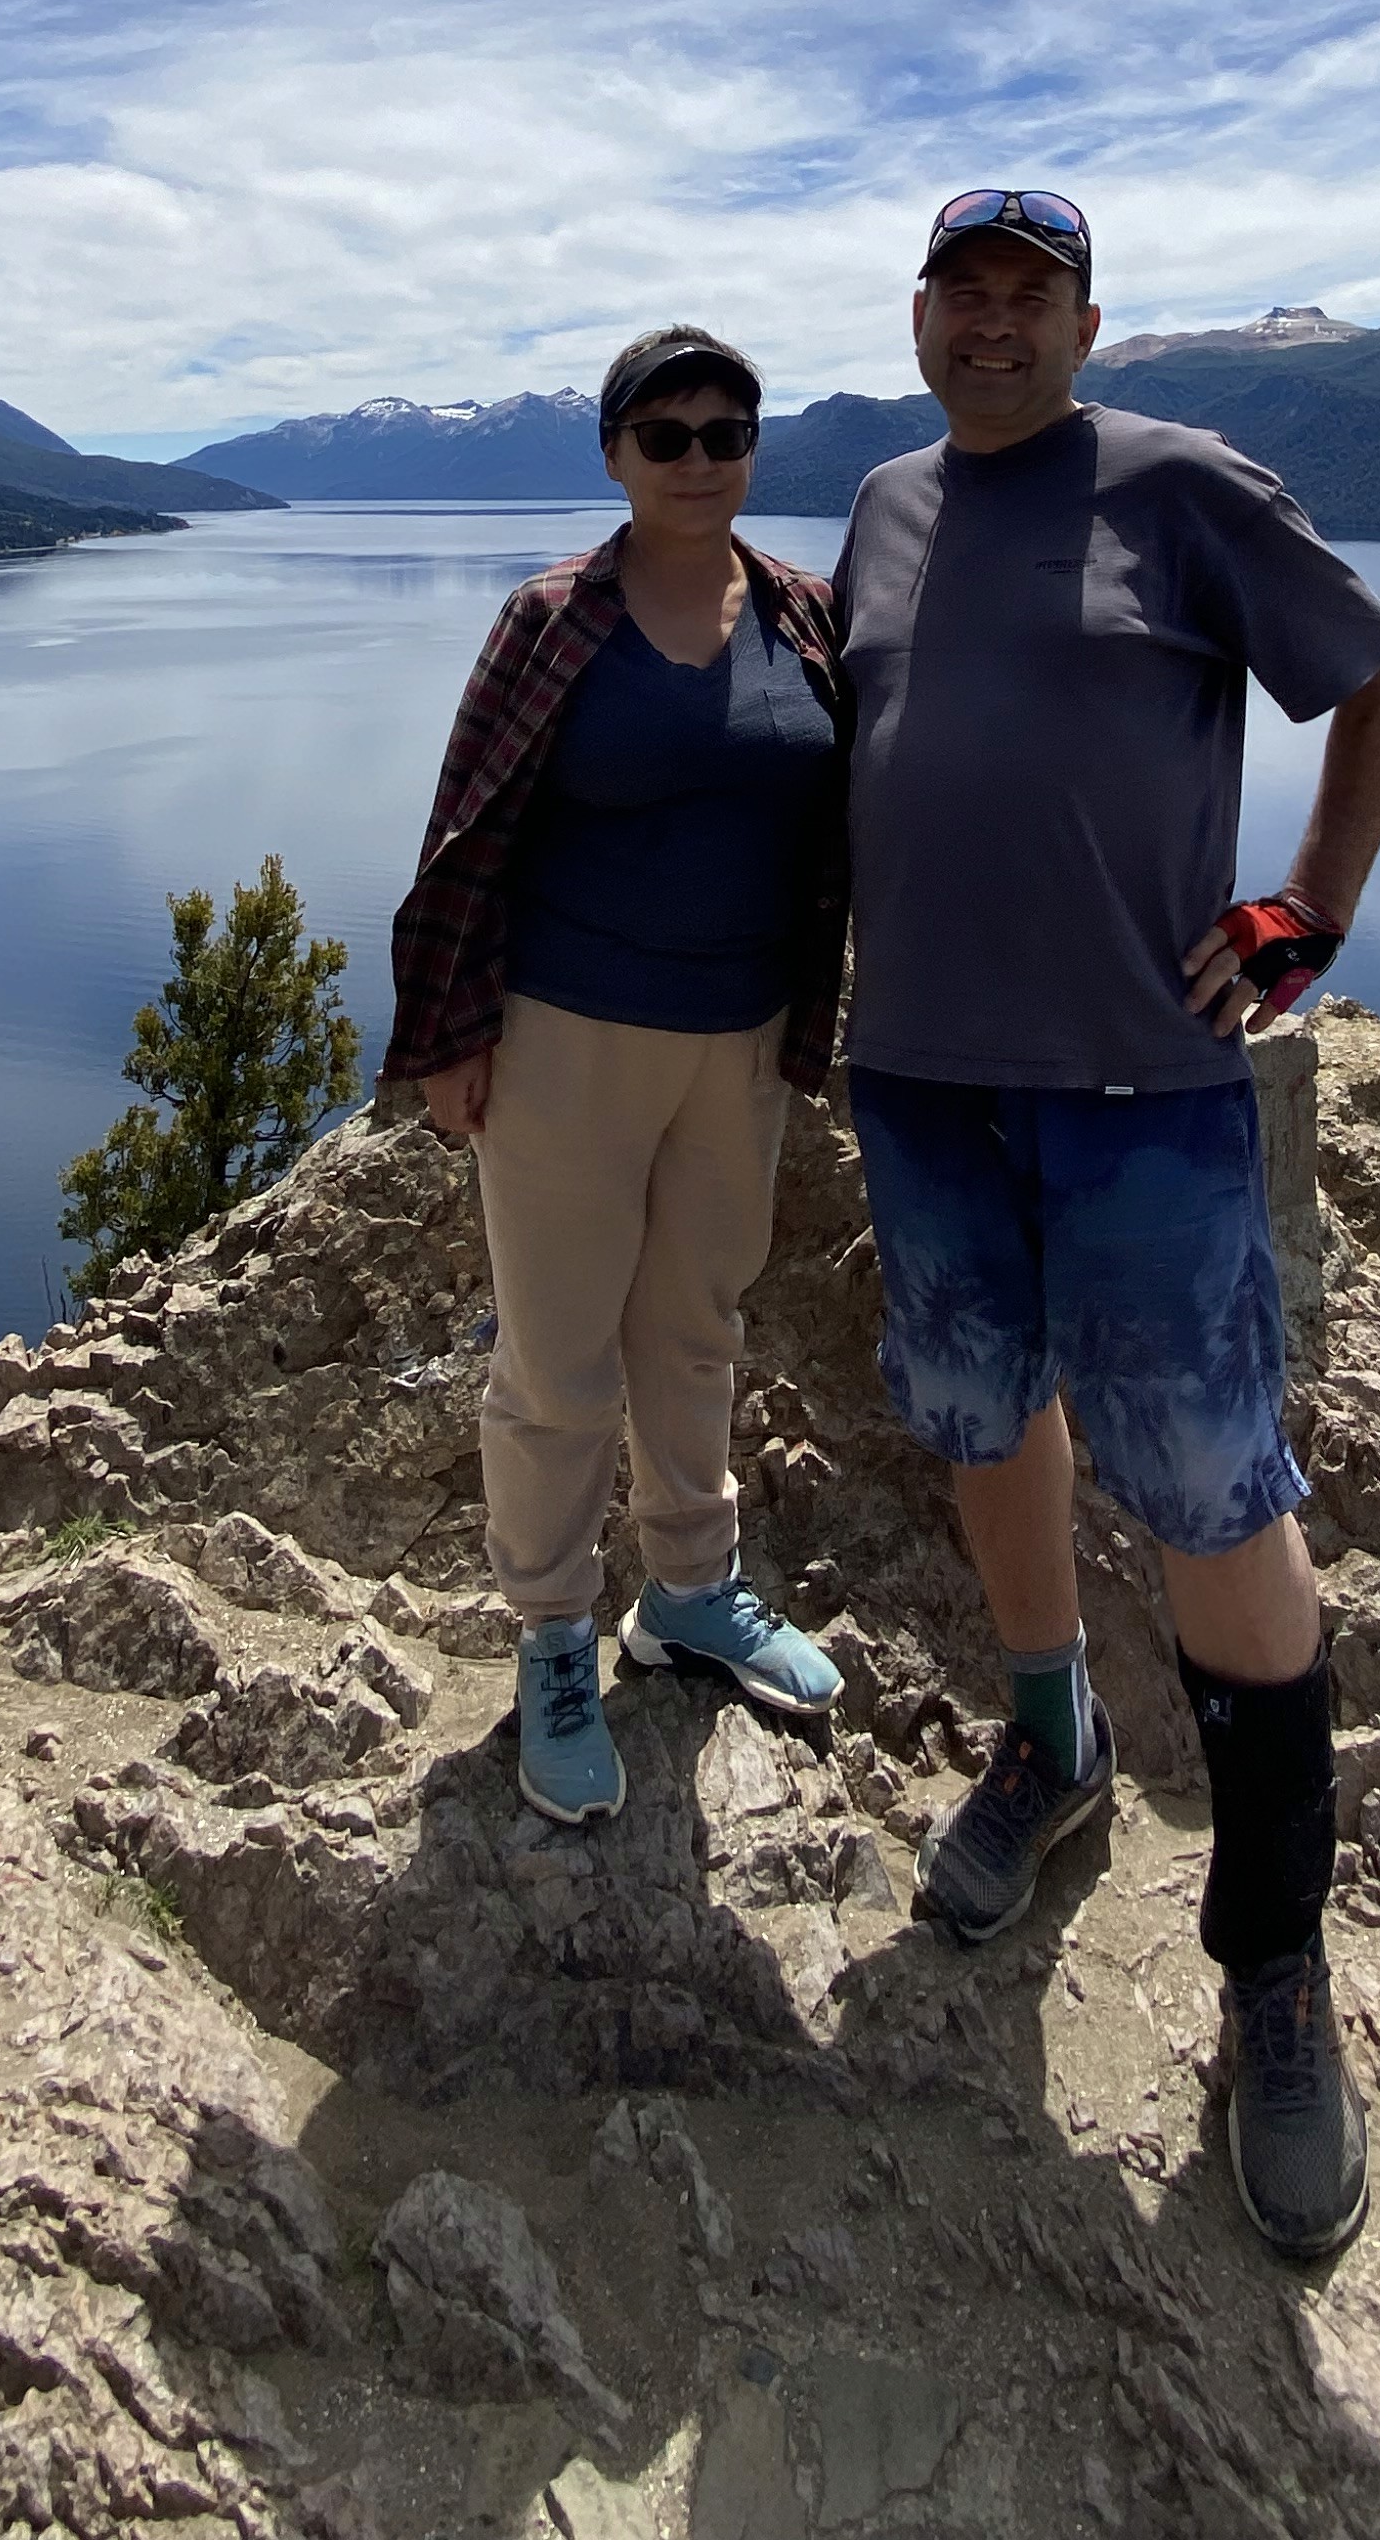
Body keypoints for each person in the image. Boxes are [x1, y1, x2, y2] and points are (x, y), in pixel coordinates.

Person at [834, 189, 1380, 2263]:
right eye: (965, 294)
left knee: (1209, 1485)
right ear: (921, 316)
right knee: (984, 1416)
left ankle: (1275, 1960)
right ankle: (1053, 1740)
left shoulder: (1183, 488)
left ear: (1086, 327)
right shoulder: (884, 505)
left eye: (1034, 299)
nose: (994, 326)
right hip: (919, 1077)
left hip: (1140, 1090)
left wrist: (1310, 909)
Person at [383, 325, 850, 1825]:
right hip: (567, 1039)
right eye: (668, 435)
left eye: (729, 434)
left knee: (698, 1324)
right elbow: (466, 828)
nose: (701, 459)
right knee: (558, 1356)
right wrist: (449, 1037)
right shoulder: (550, 622)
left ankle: (691, 1591)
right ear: (614, 455)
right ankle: (552, 1635)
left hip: (741, 1039)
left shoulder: (804, 614)